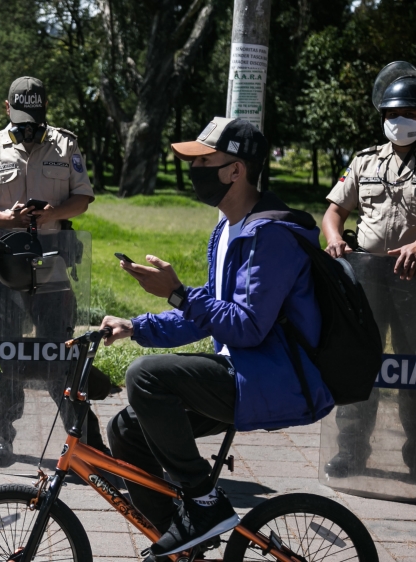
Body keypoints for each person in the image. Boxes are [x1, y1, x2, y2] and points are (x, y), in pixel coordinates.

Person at [99, 117, 335, 557]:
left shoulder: (272, 234)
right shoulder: (228, 229)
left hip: (272, 380)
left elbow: (246, 326)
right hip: (240, 374)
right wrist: (136, 327)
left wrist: (176, 293)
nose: (195, 169)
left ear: (236, 170)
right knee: (126, 430)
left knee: (146, 378)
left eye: (205, 160)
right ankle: (182, 543)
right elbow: (210, 313)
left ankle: (204, 503)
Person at [321, 63, 416, 490]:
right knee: (360, 368)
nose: (398, 120)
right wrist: (333, 238)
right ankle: (350, 452)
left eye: (408, 112)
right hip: (365, 280)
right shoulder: (364, 161)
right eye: (391, 113)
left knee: (415, 373)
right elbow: (334, 211)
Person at [0, 76, 113, 467]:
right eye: (21, 113)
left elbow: (82, 197)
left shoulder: (65, 144)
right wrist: (5, 217)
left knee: (59, 353)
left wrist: (52, 213)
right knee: (5, 350)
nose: (29, 123)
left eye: (36, 114)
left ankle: (86, 446)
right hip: (4, 263)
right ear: (7, 108)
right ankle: (0, 434)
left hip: (51, 261)